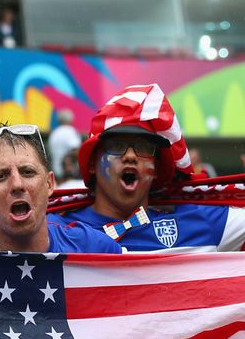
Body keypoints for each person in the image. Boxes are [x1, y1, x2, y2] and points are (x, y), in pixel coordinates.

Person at [50, 83, 245, 252]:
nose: (130, 156)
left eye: (144, 148)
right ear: (92, 164)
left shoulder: (199, 224)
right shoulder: (55, 233)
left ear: (157, 169)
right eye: (116, 146)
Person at [0, 124, 120, 253]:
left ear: (49, 183)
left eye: (28, 172)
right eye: (1, 176)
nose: (17, 184)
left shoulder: (94, 248)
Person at [47, 108, 81, 178]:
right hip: (68, 173)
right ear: (71, 120)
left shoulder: (54, 133)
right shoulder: (70, 131)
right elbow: (75, 150)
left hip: (55, 171)